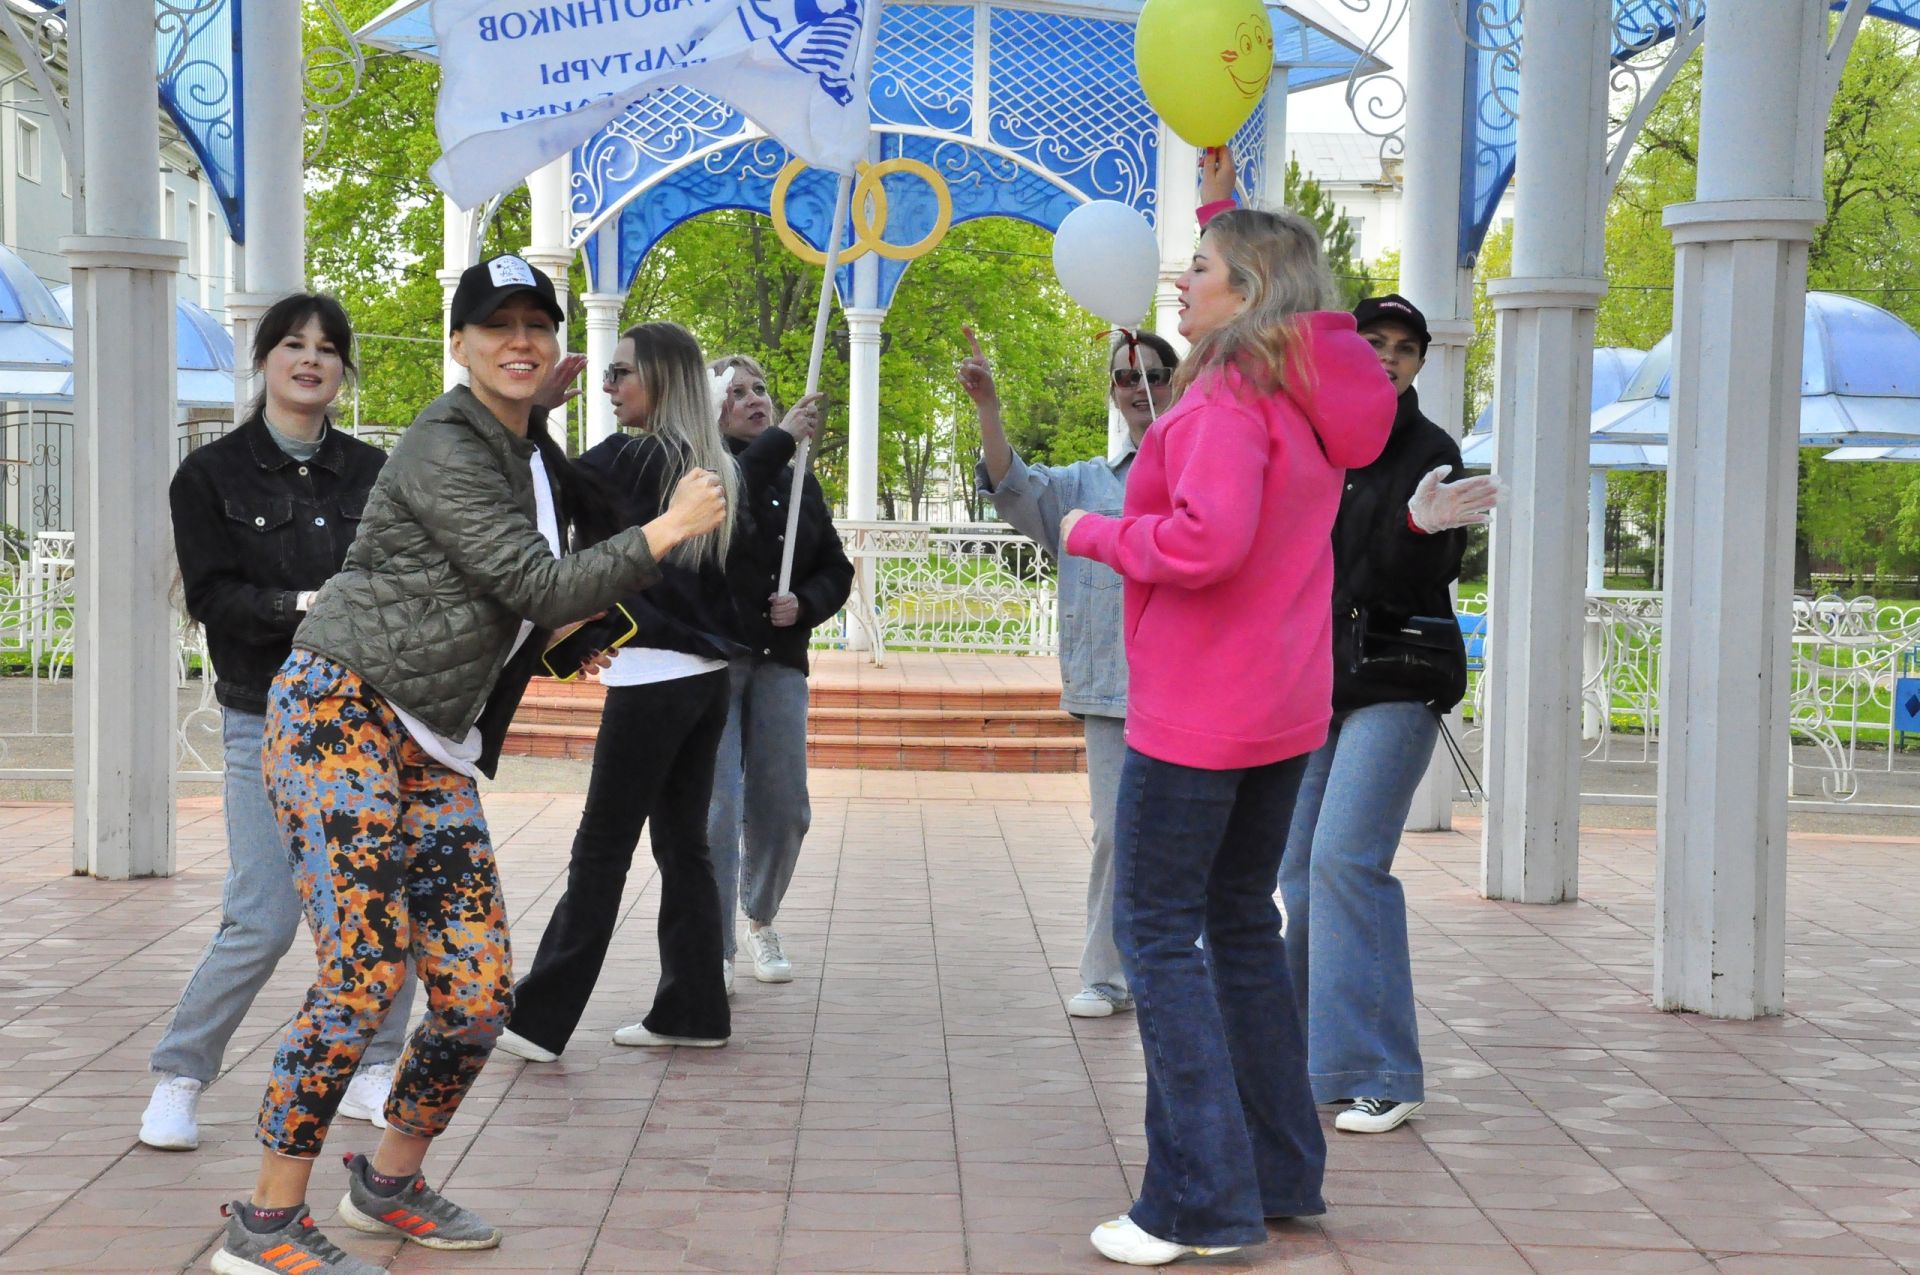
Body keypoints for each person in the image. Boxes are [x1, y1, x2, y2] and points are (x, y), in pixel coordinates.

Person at [211, 256, 726, 1275]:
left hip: (430, 741)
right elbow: (532, 581)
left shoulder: (527, 448)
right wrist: (667, 532)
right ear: (460, 343)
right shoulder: (449, 440)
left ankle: (388, 1182)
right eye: (498, 325)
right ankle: (261, 1224)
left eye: (537, 323)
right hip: (339, 715)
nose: (520, 340)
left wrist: (572, 640)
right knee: (362, 975)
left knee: (480, 991)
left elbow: (502, 602)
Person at [1063, 206, 1396, 1265]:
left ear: (1247, 292)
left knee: (1157, 938)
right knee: (1242, 928)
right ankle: (1280, 1170)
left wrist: (1092, 531)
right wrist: (1220, 194)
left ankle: (1196, 1202)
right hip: (1280, 706)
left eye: (1200, 267)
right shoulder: (1307, 397)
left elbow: (1205, 542)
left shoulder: (1220, 401)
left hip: (1198, 712)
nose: (1180, 281)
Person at [495, 323, 821, 1061]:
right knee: (683, 846)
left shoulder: (634, 457)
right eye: (608, 375)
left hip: (656, 677)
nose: (609, 387)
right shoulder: (701, 462)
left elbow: (546, 483)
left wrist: (534, 413)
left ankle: (536, 1020)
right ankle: (694, 1008)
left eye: (620, 375)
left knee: (603, 849)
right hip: (703, 679)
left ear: (664, 382)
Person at [143, 294, 411, 1153]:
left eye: (328, 349)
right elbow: (215, 598)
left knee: (379, 903)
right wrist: (301, 603)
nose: (311, 360)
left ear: (343, 370)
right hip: (263, 714)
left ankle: (377, 1064)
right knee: (262, 911)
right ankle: (179, 1076)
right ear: (264, 360)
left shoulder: (376, 473)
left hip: (367, 716)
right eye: (293, 345)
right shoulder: (210, 476)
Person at [1278, 294, 1498, 1135]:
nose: (1388, 357)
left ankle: (1382, 1068)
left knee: (1345, 859)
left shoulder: (1429, 447)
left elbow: (1413, 564)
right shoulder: (1313, 431)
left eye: (1405, 348)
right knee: (1296, 870)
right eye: (1374, 341)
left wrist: (1414, 524)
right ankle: (1300, 1053)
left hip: (1397, 677)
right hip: (1315, 681)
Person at [958, 324, 1178, 1019]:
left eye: (1154, 372)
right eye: (1124, 376)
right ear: (1112, 393)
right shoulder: (1084, 483)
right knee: (1119, 829)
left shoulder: (1208, 468)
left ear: (1177, 382)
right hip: (1117, 691)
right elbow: (1013, 486)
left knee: (1197, 834)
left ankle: (1177, 968)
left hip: (1202, 686)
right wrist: (989, 407)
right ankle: (1107, 972)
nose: (1140, 385)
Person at [706, 353, 852, 986]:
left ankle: (759, 916)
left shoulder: (799, 485)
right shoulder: (704, 473)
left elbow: (836, 570)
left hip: (778, 663)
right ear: (712, 406)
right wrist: (780, 438)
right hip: (713, 660)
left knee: (784, 805)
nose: (755, 399)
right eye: (736, 392)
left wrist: (807, 603)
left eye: (761, 389)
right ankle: (713, 947)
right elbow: (726, 506)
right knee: (717, 809)